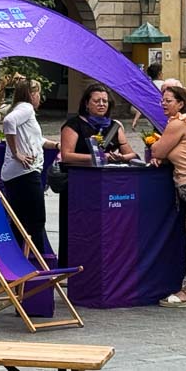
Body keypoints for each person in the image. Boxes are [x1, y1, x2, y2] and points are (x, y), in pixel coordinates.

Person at [58, 83, 137, 266]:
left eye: (105, 101)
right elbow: (67, 155)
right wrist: (97, 158)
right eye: (97, 101)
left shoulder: (115, 126)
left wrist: (120, 157)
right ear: (87, 104)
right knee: (78, 227)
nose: (102, 104)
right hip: (79, 185)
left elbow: (131, 154)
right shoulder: (74, 125)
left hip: (106, 185)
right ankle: (71, 266)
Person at [147, 86, 186, 307]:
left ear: (181, 103)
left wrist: (160, 154)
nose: (163, 103)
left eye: (168, 100)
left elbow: (157, 150)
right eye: (162, 100)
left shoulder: (180, 123)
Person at [1, 79, 58, 255]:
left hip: (17, 174)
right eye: (38, 93)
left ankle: (17, 259)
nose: (40, 97)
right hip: (26, 172)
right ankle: (38, 260)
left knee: (19, 220)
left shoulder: (21, 110)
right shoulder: (26, 108)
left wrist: (55, 145)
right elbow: (8, 122)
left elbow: (35, 139)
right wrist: (16, 152)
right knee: (36, 219)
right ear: (32, 94)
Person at [131, 62, 164, 131]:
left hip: (153, 118)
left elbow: (142, 104)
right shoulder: (165, 85)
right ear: (160, 73)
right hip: (165, 117)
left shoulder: (148, 87)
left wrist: (135, 120)